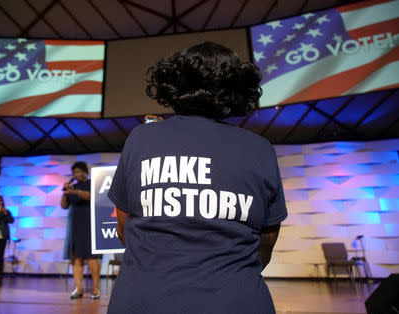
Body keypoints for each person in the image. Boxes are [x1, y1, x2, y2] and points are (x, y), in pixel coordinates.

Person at [106, 41, 288, 314]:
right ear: (235, 91)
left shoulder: (142, 138)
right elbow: (266, 241)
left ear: (174, 86)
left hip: (142, 301)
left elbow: (123, 226)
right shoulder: (259, 148)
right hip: (238, 301)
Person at [61, 161, 102, 299]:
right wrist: (65, 193)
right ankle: (78, 289)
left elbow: (92, 197)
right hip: (74, 225)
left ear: (85, 172)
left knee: (92, 256)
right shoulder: (73, 186)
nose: (76, 175)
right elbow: (64, 206)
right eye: (74, 173)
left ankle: (96, 288)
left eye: (78, 172)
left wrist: (76, 192)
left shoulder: (92, 184)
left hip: (89, 223)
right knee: (76, 257)